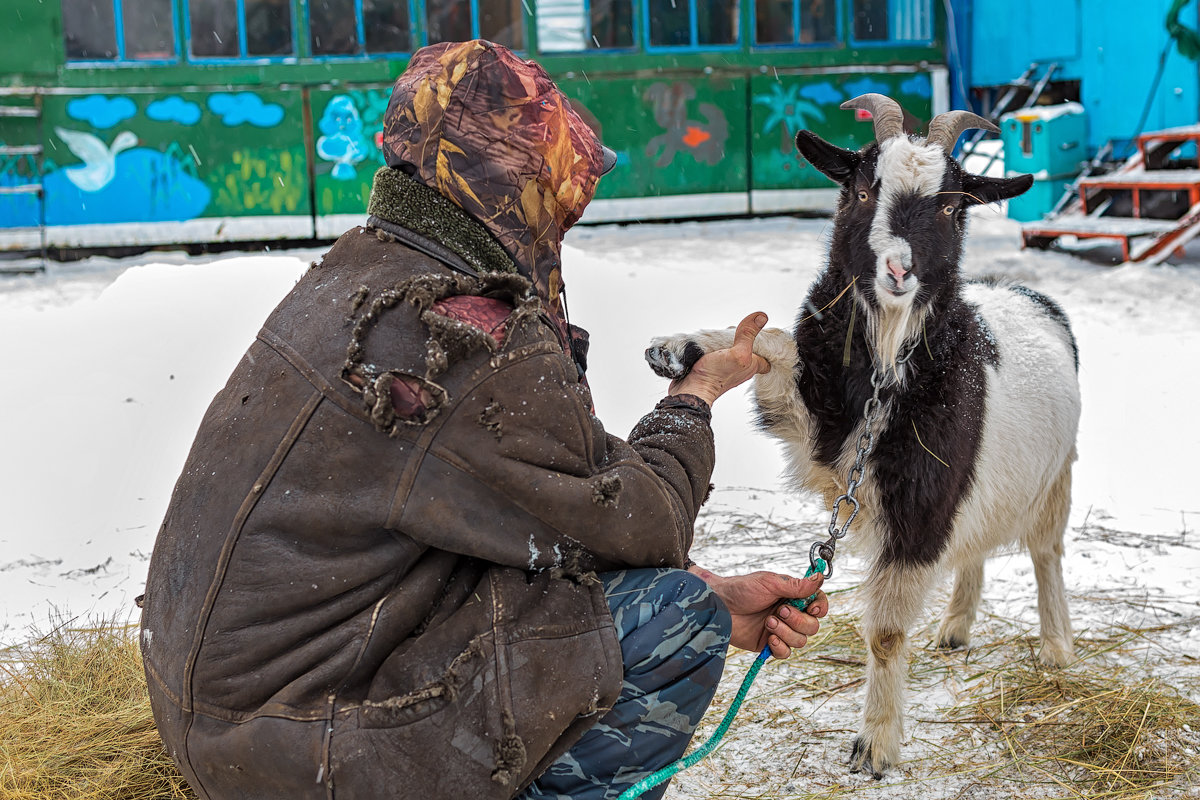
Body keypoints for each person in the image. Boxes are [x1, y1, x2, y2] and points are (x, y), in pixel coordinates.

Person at [139, 39, 828, 800]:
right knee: (678, 619)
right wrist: (693, 399)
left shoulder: (363, 272)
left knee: (638, 586)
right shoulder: (469, 332)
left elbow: (539, 503)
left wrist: (719, 581)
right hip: (307, 756)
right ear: (513, 178)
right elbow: (644, 520)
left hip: (228, 727)